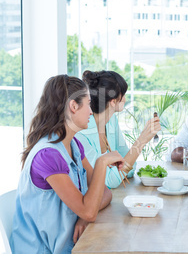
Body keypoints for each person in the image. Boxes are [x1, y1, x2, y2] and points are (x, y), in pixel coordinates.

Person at [10, 75, 125, 253]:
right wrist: (102, 162)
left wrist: (84, 217)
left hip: (69, 246)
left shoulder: (74, 145)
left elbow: (104, 193)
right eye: (88, 104)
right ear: (73, 106)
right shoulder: (47, 155)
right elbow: (89, 210)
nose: (90, 112)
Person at [75, 70, 161, 189]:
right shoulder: (82, 133)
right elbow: (108, 182)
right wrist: (142, 140)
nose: (125, 99)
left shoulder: (111, 121)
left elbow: (130, 168)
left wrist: (118, 169)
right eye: (123, 94)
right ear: (113, 101)